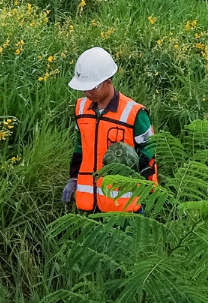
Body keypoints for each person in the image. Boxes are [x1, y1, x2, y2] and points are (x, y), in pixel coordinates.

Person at [62, 47, 158, 212]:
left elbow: (150, 149)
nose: (87, 92)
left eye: (92, 87)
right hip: (89, 203)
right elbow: (80, 146)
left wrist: (143, 183)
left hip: (124, 206)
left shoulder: (134, 113)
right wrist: (73, 179)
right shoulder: (80, 108)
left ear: (108, 81)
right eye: (84, 88)